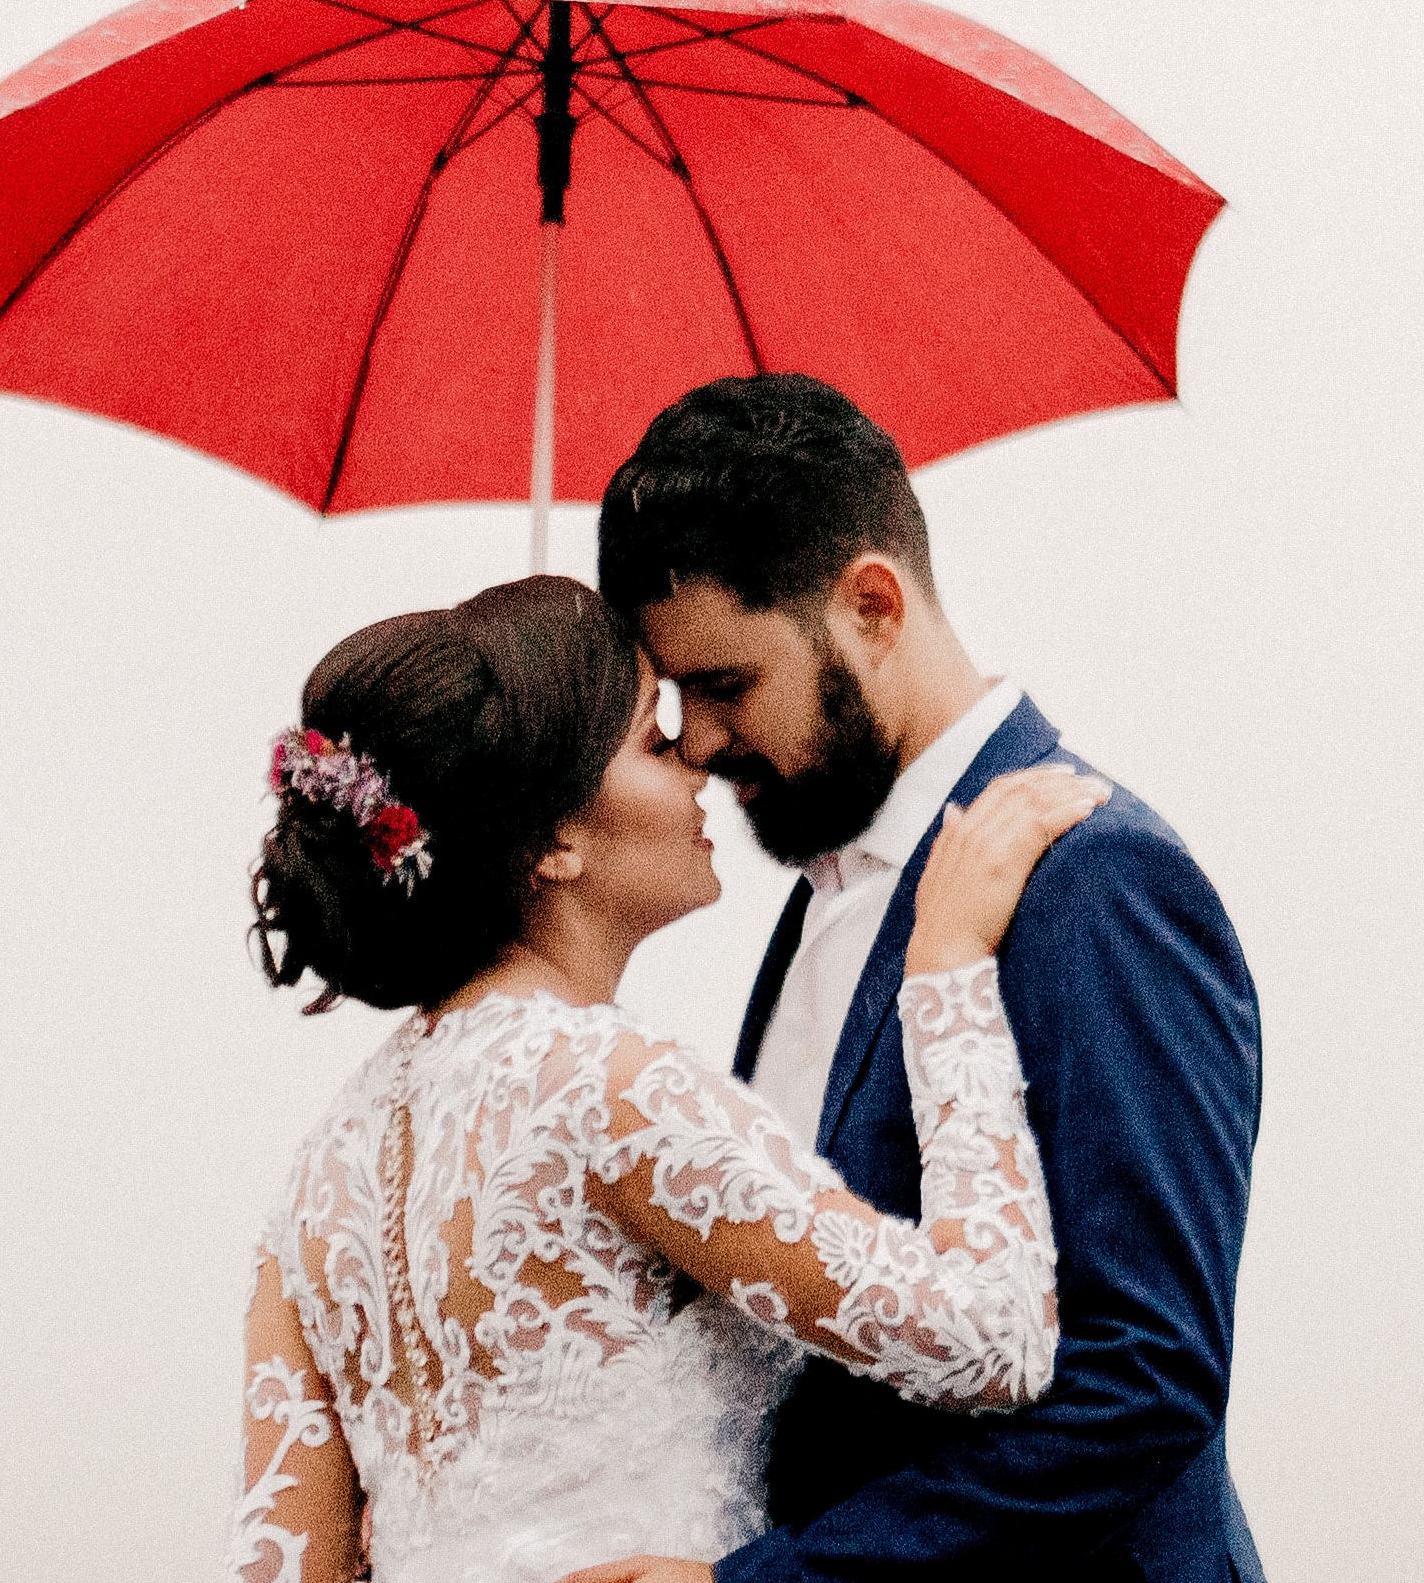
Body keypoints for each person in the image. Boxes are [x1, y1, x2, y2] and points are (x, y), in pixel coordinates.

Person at [227, 576, 1108, 1583]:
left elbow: (283, 1568)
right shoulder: (605, 1087)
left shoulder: (314, 1184)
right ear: (555, 839)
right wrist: (946, 974)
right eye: (653, 739)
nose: (697, 761)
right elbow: (991, 1336)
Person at [575, 374, 1265, 1583]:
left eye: (726, 684)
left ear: (872, 604)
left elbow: (1145, 1379)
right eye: (674, 698)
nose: (696, 740)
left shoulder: (1095, 880)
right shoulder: (818, 887)